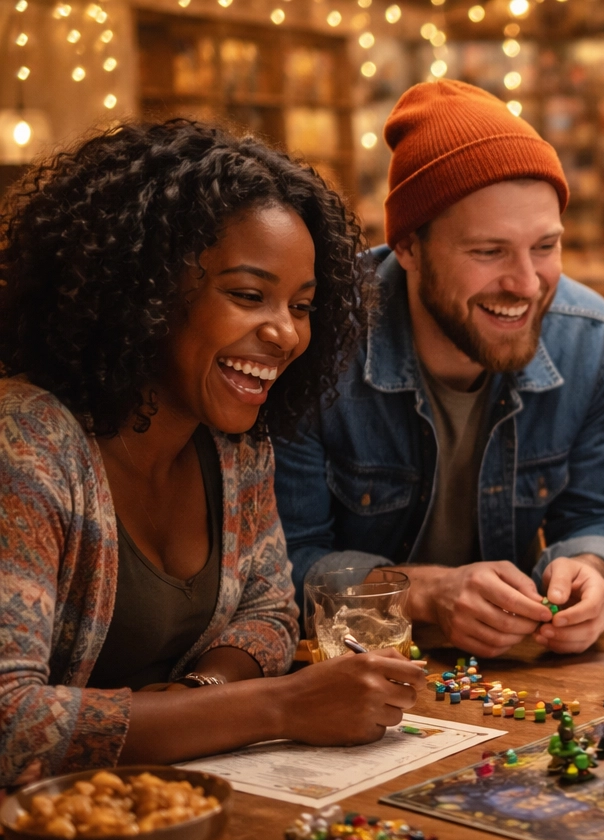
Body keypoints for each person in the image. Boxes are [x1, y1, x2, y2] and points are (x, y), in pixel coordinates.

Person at [0, 120, 424, 787]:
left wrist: (204, 694)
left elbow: (272, 613)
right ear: (143, 288)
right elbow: (10, 722)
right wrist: (275, 704)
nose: (286, 333)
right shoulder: (25, 446)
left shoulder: (237, 445)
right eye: (248, 296)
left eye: (303, 305)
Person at [274, 81, 604, 657]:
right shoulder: (316, 340)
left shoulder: (591, 338)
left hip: (514, 677)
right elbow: (282, 565)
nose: (526, 284)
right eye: (488, 251)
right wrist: (424, 594)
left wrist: (593, 570)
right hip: (348, 680)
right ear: (409, 248)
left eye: (545, 247)